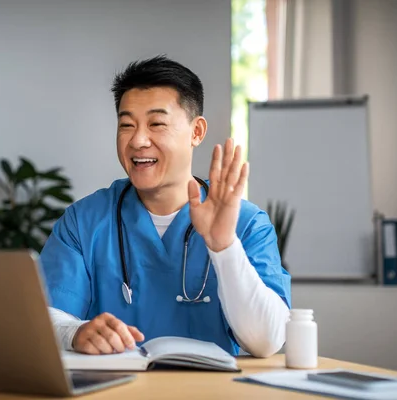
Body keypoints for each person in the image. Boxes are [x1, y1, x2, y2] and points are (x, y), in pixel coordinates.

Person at [39, 55, 291, 358]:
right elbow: (46, 317)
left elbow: (267, 342)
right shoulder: (84, 221)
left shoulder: (247, 223)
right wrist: (76, 332)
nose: (138, 140)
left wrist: (224, 246)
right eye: (127, 125)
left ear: (196, 132)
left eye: (156, 123)